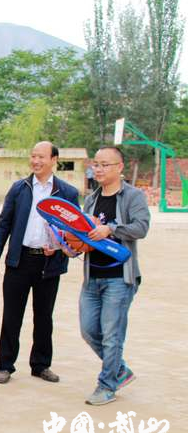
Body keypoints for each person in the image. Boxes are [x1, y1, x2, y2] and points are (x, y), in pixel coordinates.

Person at [0, 141, 79, 385]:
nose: (36, 161)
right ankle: (5, 365)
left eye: (41, 157)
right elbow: (4, 222)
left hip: (49, 264)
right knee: (12, 316)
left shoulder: (67, 193)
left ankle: (41, 365)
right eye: (33, 156)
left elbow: (75, 232)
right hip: (20, 260)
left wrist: (60, 248)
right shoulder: (19, 188)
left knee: (44, 317)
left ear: (54, 161)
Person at [79, 146, 150, 406]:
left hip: (120, 278)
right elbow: (86, 235)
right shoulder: (91, 199)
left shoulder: (133, 196)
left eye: (104, 164)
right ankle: (119, 370)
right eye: (95, 164)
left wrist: (111, 229)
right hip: (92, 275)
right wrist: (73, 244)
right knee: (88, 331)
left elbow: (141, 228)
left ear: (120, 167)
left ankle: (107, 385)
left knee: (112, 335)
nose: (98, 169)